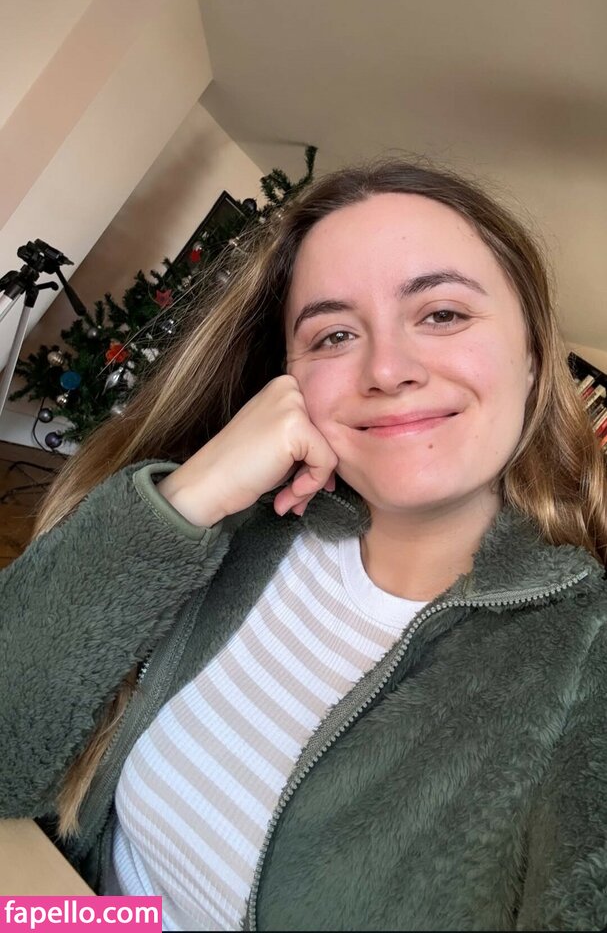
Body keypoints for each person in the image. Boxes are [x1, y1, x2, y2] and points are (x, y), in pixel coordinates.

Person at [1, 158, 606, 932]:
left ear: (531, 358)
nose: (386, 369)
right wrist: (183, 501)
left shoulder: (583, 657)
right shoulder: (234, 532)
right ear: (286, 378)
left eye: (442, 314)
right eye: (334, 334)